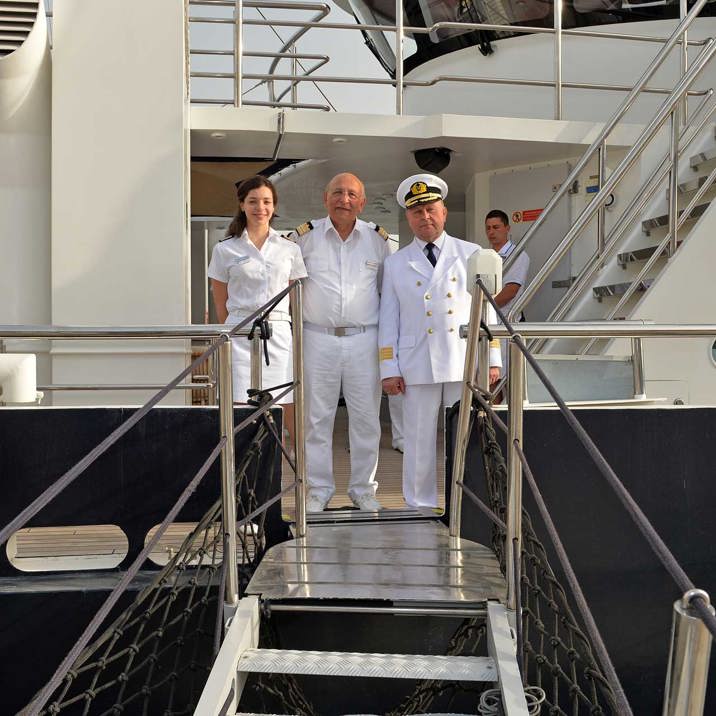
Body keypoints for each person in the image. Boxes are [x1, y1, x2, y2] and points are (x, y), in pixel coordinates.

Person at [379, 174, 502, 508]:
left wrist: (492, 359)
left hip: (462, 359)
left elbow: (486, 313)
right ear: (408, 217)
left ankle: (466, 501)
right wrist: (388, 366)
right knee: (417, 440)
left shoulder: (471, 253)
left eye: (431, 210)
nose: (425, 218)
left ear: (444, 212)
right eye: (417, 213)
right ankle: (418, 504)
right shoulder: (395, 263)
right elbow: (389, 319)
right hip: (416, 361)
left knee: (464, 438)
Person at [291, 173, 391, 513]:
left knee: (366, 419)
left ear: (362, 203)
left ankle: (363, 489)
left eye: (351, 194)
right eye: (337, 193)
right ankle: (318, 490)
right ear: (325, 198)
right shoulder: (304, 239)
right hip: (317, 338)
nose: (343, 200)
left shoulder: (378, 241)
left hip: (365, 339)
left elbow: (385, 291)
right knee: (317, 419)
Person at [208, 175, 307, 450]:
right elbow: (221, 304)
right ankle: (239, 471)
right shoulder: (224, 250)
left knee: (287, 402)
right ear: (242, 205)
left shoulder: (289, 249)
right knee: (239, 405)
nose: (259, 207)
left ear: (274, 206)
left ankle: (297, 473)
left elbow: (292, 298)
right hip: (241, 333)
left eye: (266, 201)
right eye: (253, 201)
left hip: (279, 334)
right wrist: (236, 329)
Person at [484, 209, 530, 373]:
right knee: (486, 376)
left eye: (496, 227)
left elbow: (511, 291)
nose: (491, 232)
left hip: (507, 324)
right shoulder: (485, 256)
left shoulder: (518, 255)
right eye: (488, 228)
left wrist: (483, 309)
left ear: (507, 228)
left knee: (502, 376)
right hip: (488, 324)